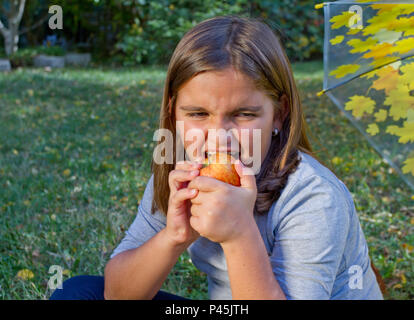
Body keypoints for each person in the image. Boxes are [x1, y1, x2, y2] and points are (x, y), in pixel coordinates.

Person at [50, 15, 384, 300]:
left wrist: (239, 233)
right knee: (80, 292)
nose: (219, 137)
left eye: (243, 114)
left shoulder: (313, 196)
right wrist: (174, 236)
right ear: (173, 112)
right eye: (197, 113)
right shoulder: (179, 177)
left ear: (279, 114)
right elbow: (117, 293)